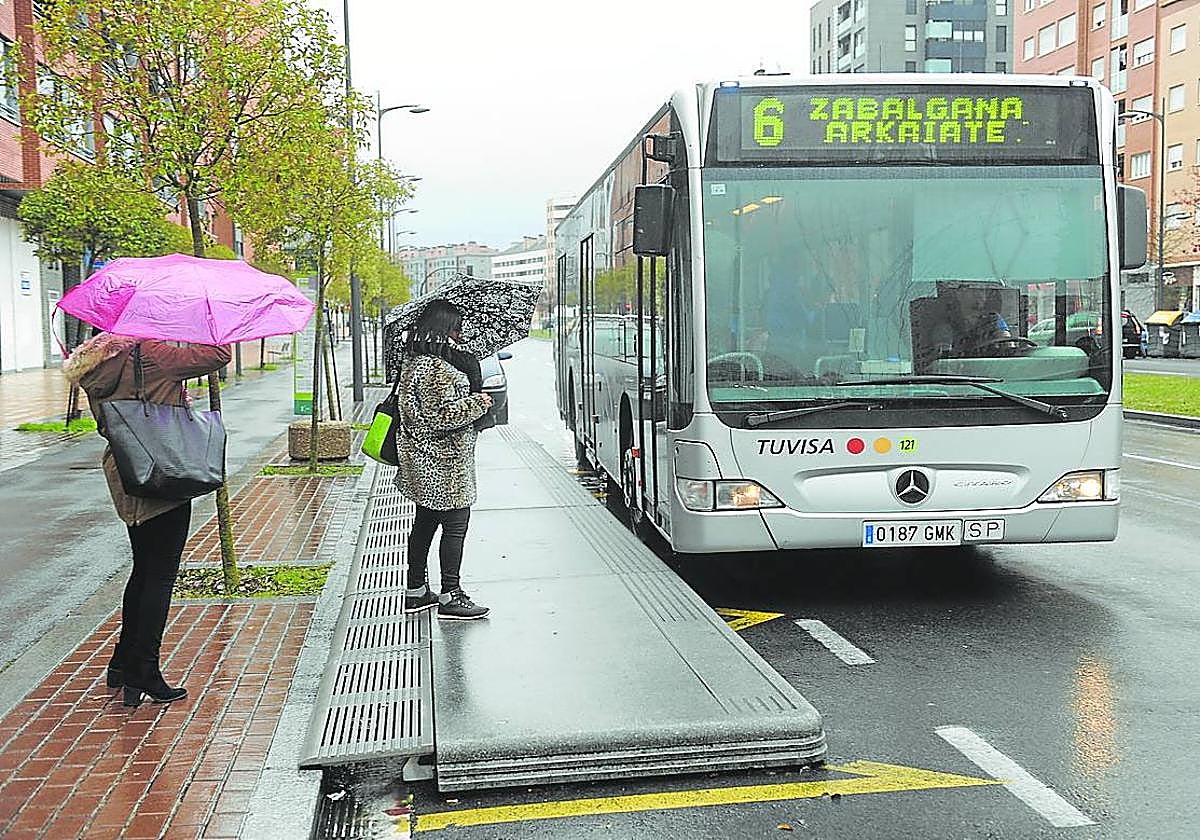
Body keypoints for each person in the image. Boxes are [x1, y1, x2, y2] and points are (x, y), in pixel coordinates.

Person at [64, 332, 230, 707]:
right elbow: (219, 355)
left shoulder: (97, 362)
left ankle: (123, 662)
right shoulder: (152, 353)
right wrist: (203, 326)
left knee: (144, 570)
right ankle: (145, 671)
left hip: (127, 468)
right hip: (165, 465)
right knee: (159, 575)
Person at [395, 301, 493, 620]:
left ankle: (417, 590)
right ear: (443, 328)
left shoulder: (415, 361)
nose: (458, 334)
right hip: (442, 461)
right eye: (455, 328)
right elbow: (441, 415)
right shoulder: (434, 368)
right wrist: (478, 402)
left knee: (425, 523)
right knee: (455, 524)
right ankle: (451, 595)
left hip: (426, 458)